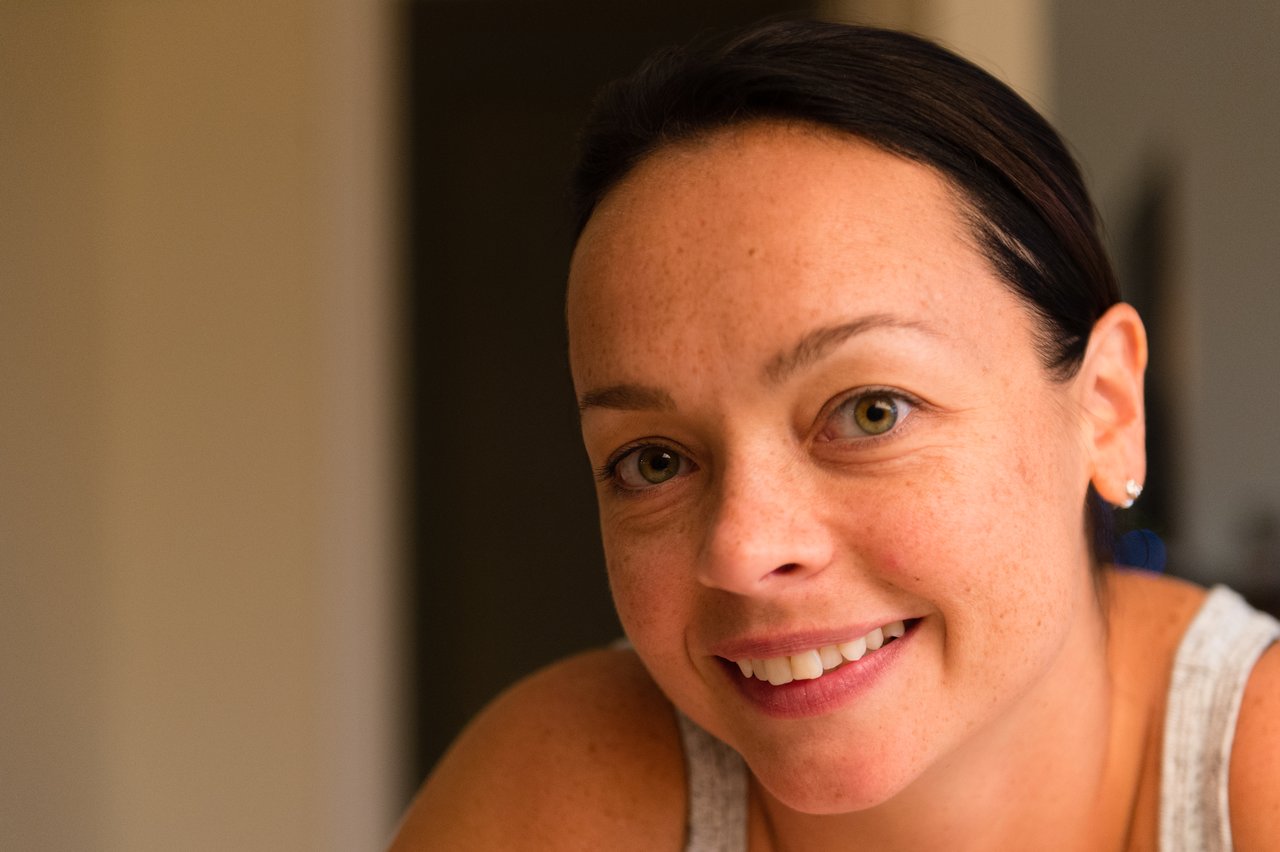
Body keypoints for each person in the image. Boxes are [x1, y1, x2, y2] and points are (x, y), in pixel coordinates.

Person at [391, 19, 1280, 851]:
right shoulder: (554, 796)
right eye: (653, 461)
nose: (742, 550)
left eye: (870, 411)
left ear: (1109, 407)